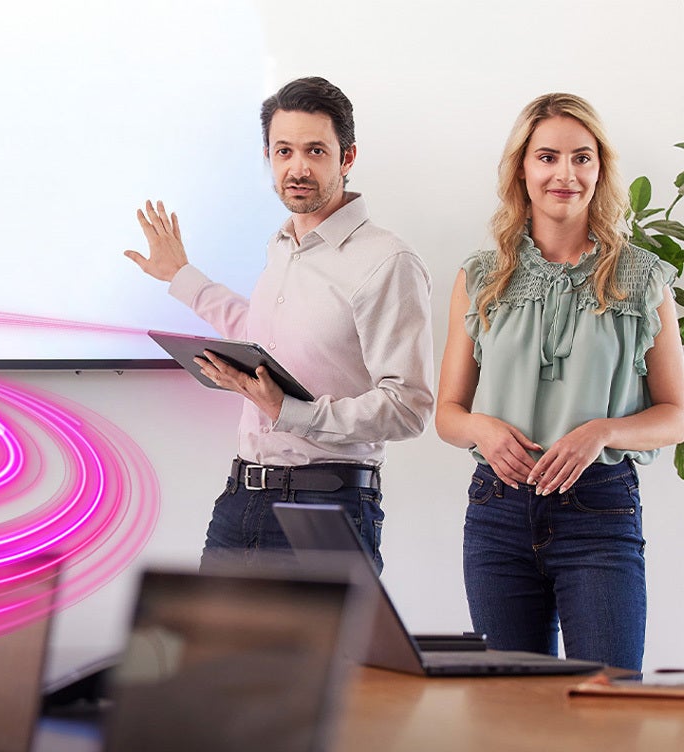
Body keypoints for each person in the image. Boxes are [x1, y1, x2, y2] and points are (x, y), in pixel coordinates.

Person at [125, 76, 434, 573]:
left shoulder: (386, 260)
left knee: (318, 656)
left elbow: (408, 408)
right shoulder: (282, 245)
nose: (298, 167)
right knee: (210, 653)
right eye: (283, 150)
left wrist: (288, 410)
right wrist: (181, 277)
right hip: (241, 499)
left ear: (347, 158)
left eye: (316, 150)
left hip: (326, 509)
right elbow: (265, 336)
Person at [436, 93, 684, 671]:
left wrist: (602, 432)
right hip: (496, 513)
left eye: (582, 157)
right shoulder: (481, 276)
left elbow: (676, 412)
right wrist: (482, 430)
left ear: (600, 170)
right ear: (522, 169)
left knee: (606, 706)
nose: (565, 174)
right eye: (547, 157)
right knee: (509, 715)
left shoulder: (644, 279)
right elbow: (448, 413)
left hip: (599, 514)